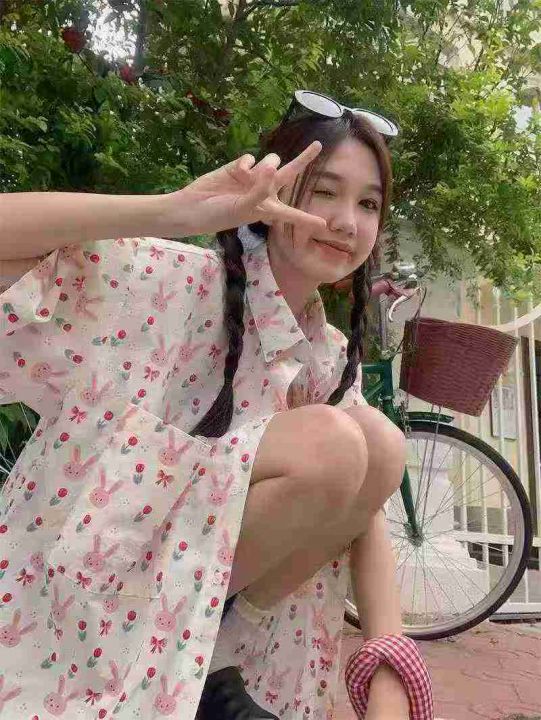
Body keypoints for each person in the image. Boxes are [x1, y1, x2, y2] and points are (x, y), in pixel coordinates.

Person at [0, 90, 432, 720]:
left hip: (216, 637)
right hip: (83, 615)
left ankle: (214, 659)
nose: (347, 221)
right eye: (324, 191)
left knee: (380, 441)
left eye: (368, 203)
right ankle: (186, 662)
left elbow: (366, 513)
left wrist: (391, 670)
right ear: (274, 191)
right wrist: (174, 211)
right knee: (334, 442)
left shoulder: (326, 354)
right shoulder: (165, 282)